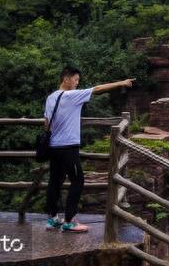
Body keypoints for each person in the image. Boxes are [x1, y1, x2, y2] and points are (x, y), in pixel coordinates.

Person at [44, 67, 133, 233]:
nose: (77, 83)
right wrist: (121, 82)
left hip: (53, 146)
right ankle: (69, 221)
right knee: (77, 181)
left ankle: (52, 219)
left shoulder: (51, 97)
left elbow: (46, 123)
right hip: (68, 146)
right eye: (76, 80)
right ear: (66, 79)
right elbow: (98, 89)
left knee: (55, 181)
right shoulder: (72, 95)